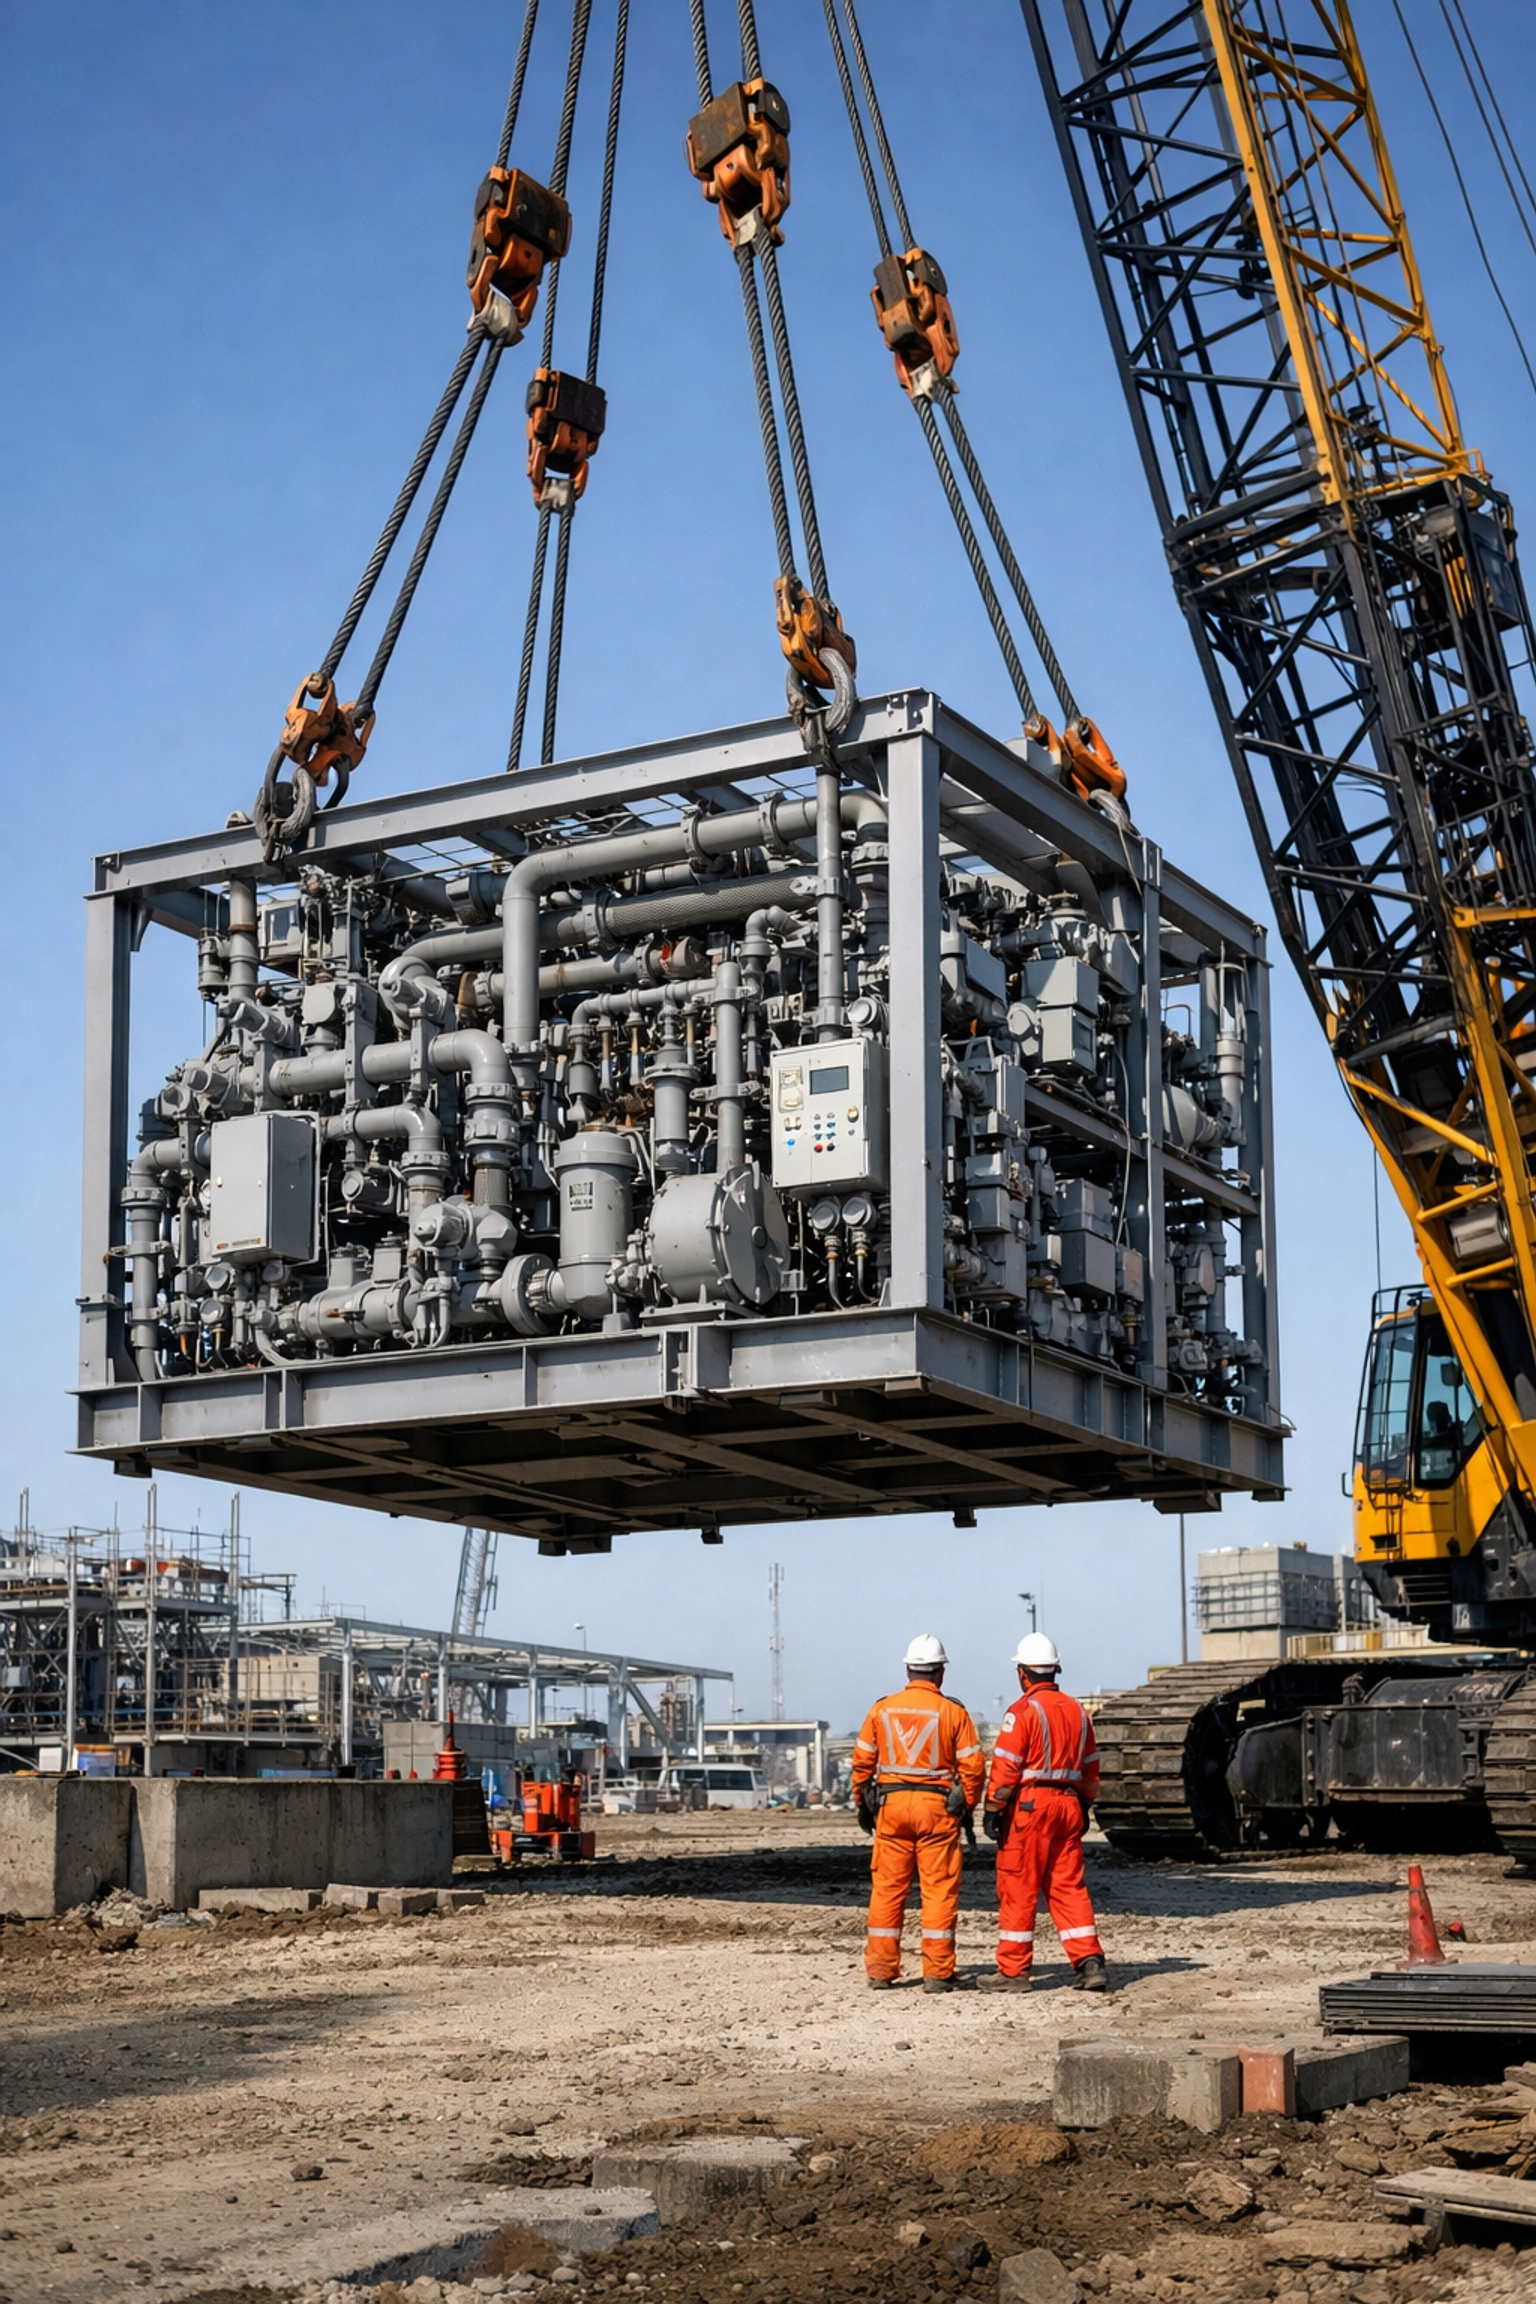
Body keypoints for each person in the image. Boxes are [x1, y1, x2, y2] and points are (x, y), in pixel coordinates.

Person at [851, 1634, 986, 1993]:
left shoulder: (882, 1709)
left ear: (908, 1669)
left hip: (891, 1809)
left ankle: (880, 1970)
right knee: (938, 1890)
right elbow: (973, 1767)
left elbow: (862, 1763)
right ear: (940, 1672)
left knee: (887, 1891)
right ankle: (938, 1974)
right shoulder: (953, 1712)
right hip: (936, 1810)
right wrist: (967, 1805)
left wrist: (862, 1806)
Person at [979, 1632, 1107, 1992]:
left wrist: (993, 1808)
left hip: (1030, 1807)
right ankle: (1089, 1962)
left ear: (1023, 1673)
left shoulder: (1021, 1713)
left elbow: (1006, 1767)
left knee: (1018, 1886)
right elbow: (1091, 1768)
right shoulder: (1079, 1713)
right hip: (1068, 1804)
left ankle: (1014, 1972)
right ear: (1055, 1670)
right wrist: (1081, 1805)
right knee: (1069, 1886)